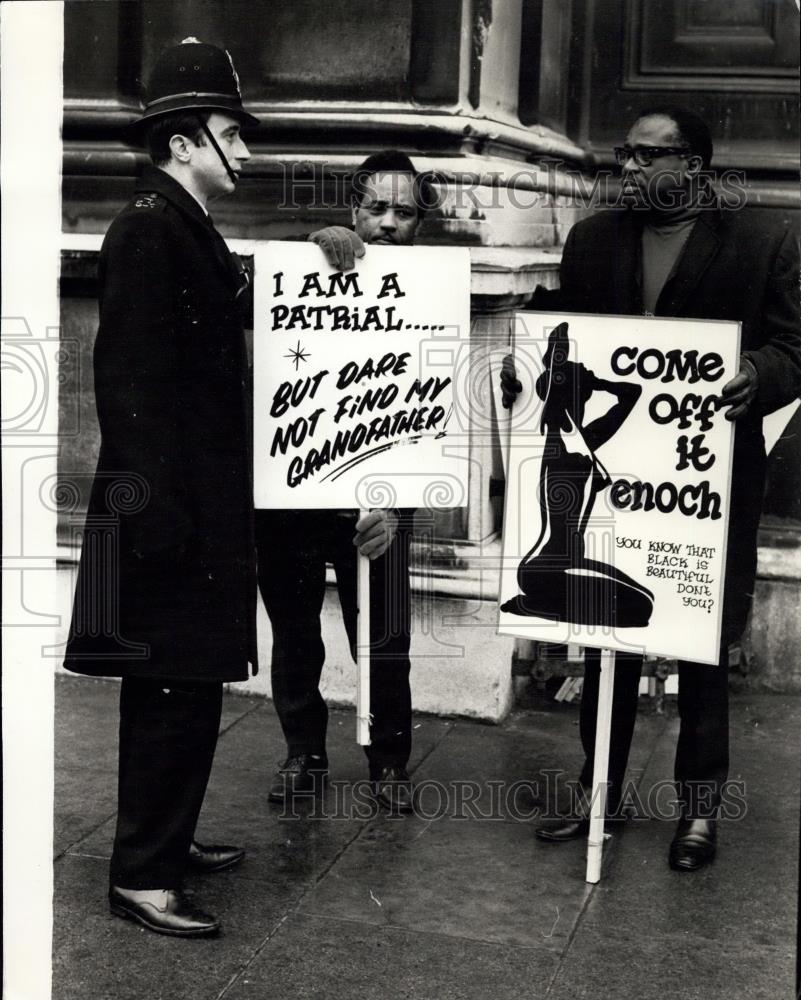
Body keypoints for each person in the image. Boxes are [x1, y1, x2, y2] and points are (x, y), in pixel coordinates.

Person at [501, 106, 800, 871]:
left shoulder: (763, 239)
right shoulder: (593, 239)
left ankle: (698, 813)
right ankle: (598, 791)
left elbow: (795, 346)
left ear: (692, 167)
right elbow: (565, 334)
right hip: (615, 479)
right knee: (608, 635)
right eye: (622, 154)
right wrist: (527, 359)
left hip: (704, 485)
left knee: (699, 643)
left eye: (644, 157)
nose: (626, 168)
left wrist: (758, 375)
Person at [64, 39, 260, 937]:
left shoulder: (178, 222)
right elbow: (129, 383)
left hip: (185, 503)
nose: (246, 153)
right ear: (186, 142)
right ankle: (142, 873)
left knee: (188, 686)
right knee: (168, 689)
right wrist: (164, 518)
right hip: (164, 510)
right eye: (232, 134)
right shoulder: (148, 227)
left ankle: (167, 841)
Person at [256, 151, 434, 813]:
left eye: (404, 212)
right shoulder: (315, 263)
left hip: (378, 504)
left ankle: (389, 763)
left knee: (384, 638)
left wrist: (399, 505)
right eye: (375, 209)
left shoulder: (430, 295)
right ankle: (303, 754)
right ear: (352, 210)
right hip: (293, 494)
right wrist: (308, 255)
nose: (387, 223)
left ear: (421, 221)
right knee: (296, 633)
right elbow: (259, 301)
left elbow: (431, 415)